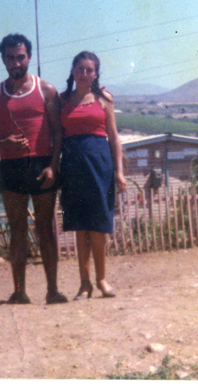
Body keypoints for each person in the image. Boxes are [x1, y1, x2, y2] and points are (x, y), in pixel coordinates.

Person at [0, 33, 67, 305]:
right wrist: (2, 142)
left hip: (42, 164)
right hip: (12, 166)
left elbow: (58, 132)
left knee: (45, 228)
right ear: (3, 60)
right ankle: (19, 291)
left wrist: (54, 166)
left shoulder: (46, 91)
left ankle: (52, 291)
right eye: (10, 57)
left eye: (20, 57)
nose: (16, 62)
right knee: (17, 229)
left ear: (29, 57)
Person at [59, 51, 126, 300]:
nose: (84, 73)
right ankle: (84, 283)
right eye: (80, 69)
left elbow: (114, 137)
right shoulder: (62, 100)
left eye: (89, 70)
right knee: (80, 227)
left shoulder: (103, 99)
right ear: (73, 71)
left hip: (100, 166)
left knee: (98, 226)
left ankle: (101, 280)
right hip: (73, 168)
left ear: (96, 74)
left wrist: (119, 171)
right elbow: (56, 135)